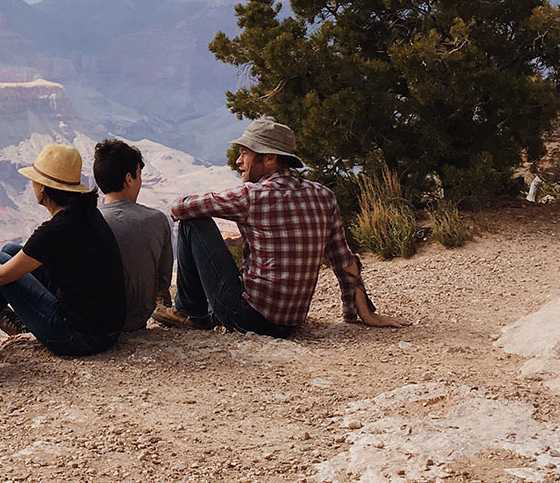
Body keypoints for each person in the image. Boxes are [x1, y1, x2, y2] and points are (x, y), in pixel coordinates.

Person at [154, 119, 405, 335]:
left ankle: (188, 312)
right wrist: (361, 313)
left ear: (270, 158)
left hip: (248, 319)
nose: (239, 161)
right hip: (292, 322)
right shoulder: (324, 195)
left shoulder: (252, 195)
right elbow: (344, 261)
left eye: (245, 153)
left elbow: (179, 208)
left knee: (194, 222)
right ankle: (203, 312)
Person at [0, 143, 126, 356]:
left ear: (43, 187)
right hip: (106, 330)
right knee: (11, 250)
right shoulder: (87, 213)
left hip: (78, 336)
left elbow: (0, 275)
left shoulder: (55, 230)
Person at [93, 138, 174, 331]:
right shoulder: (157, 219)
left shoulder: (87, 222)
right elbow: (162, 282)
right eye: (139, 175)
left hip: (95, 322)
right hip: (136, 320)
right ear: (129, 178)